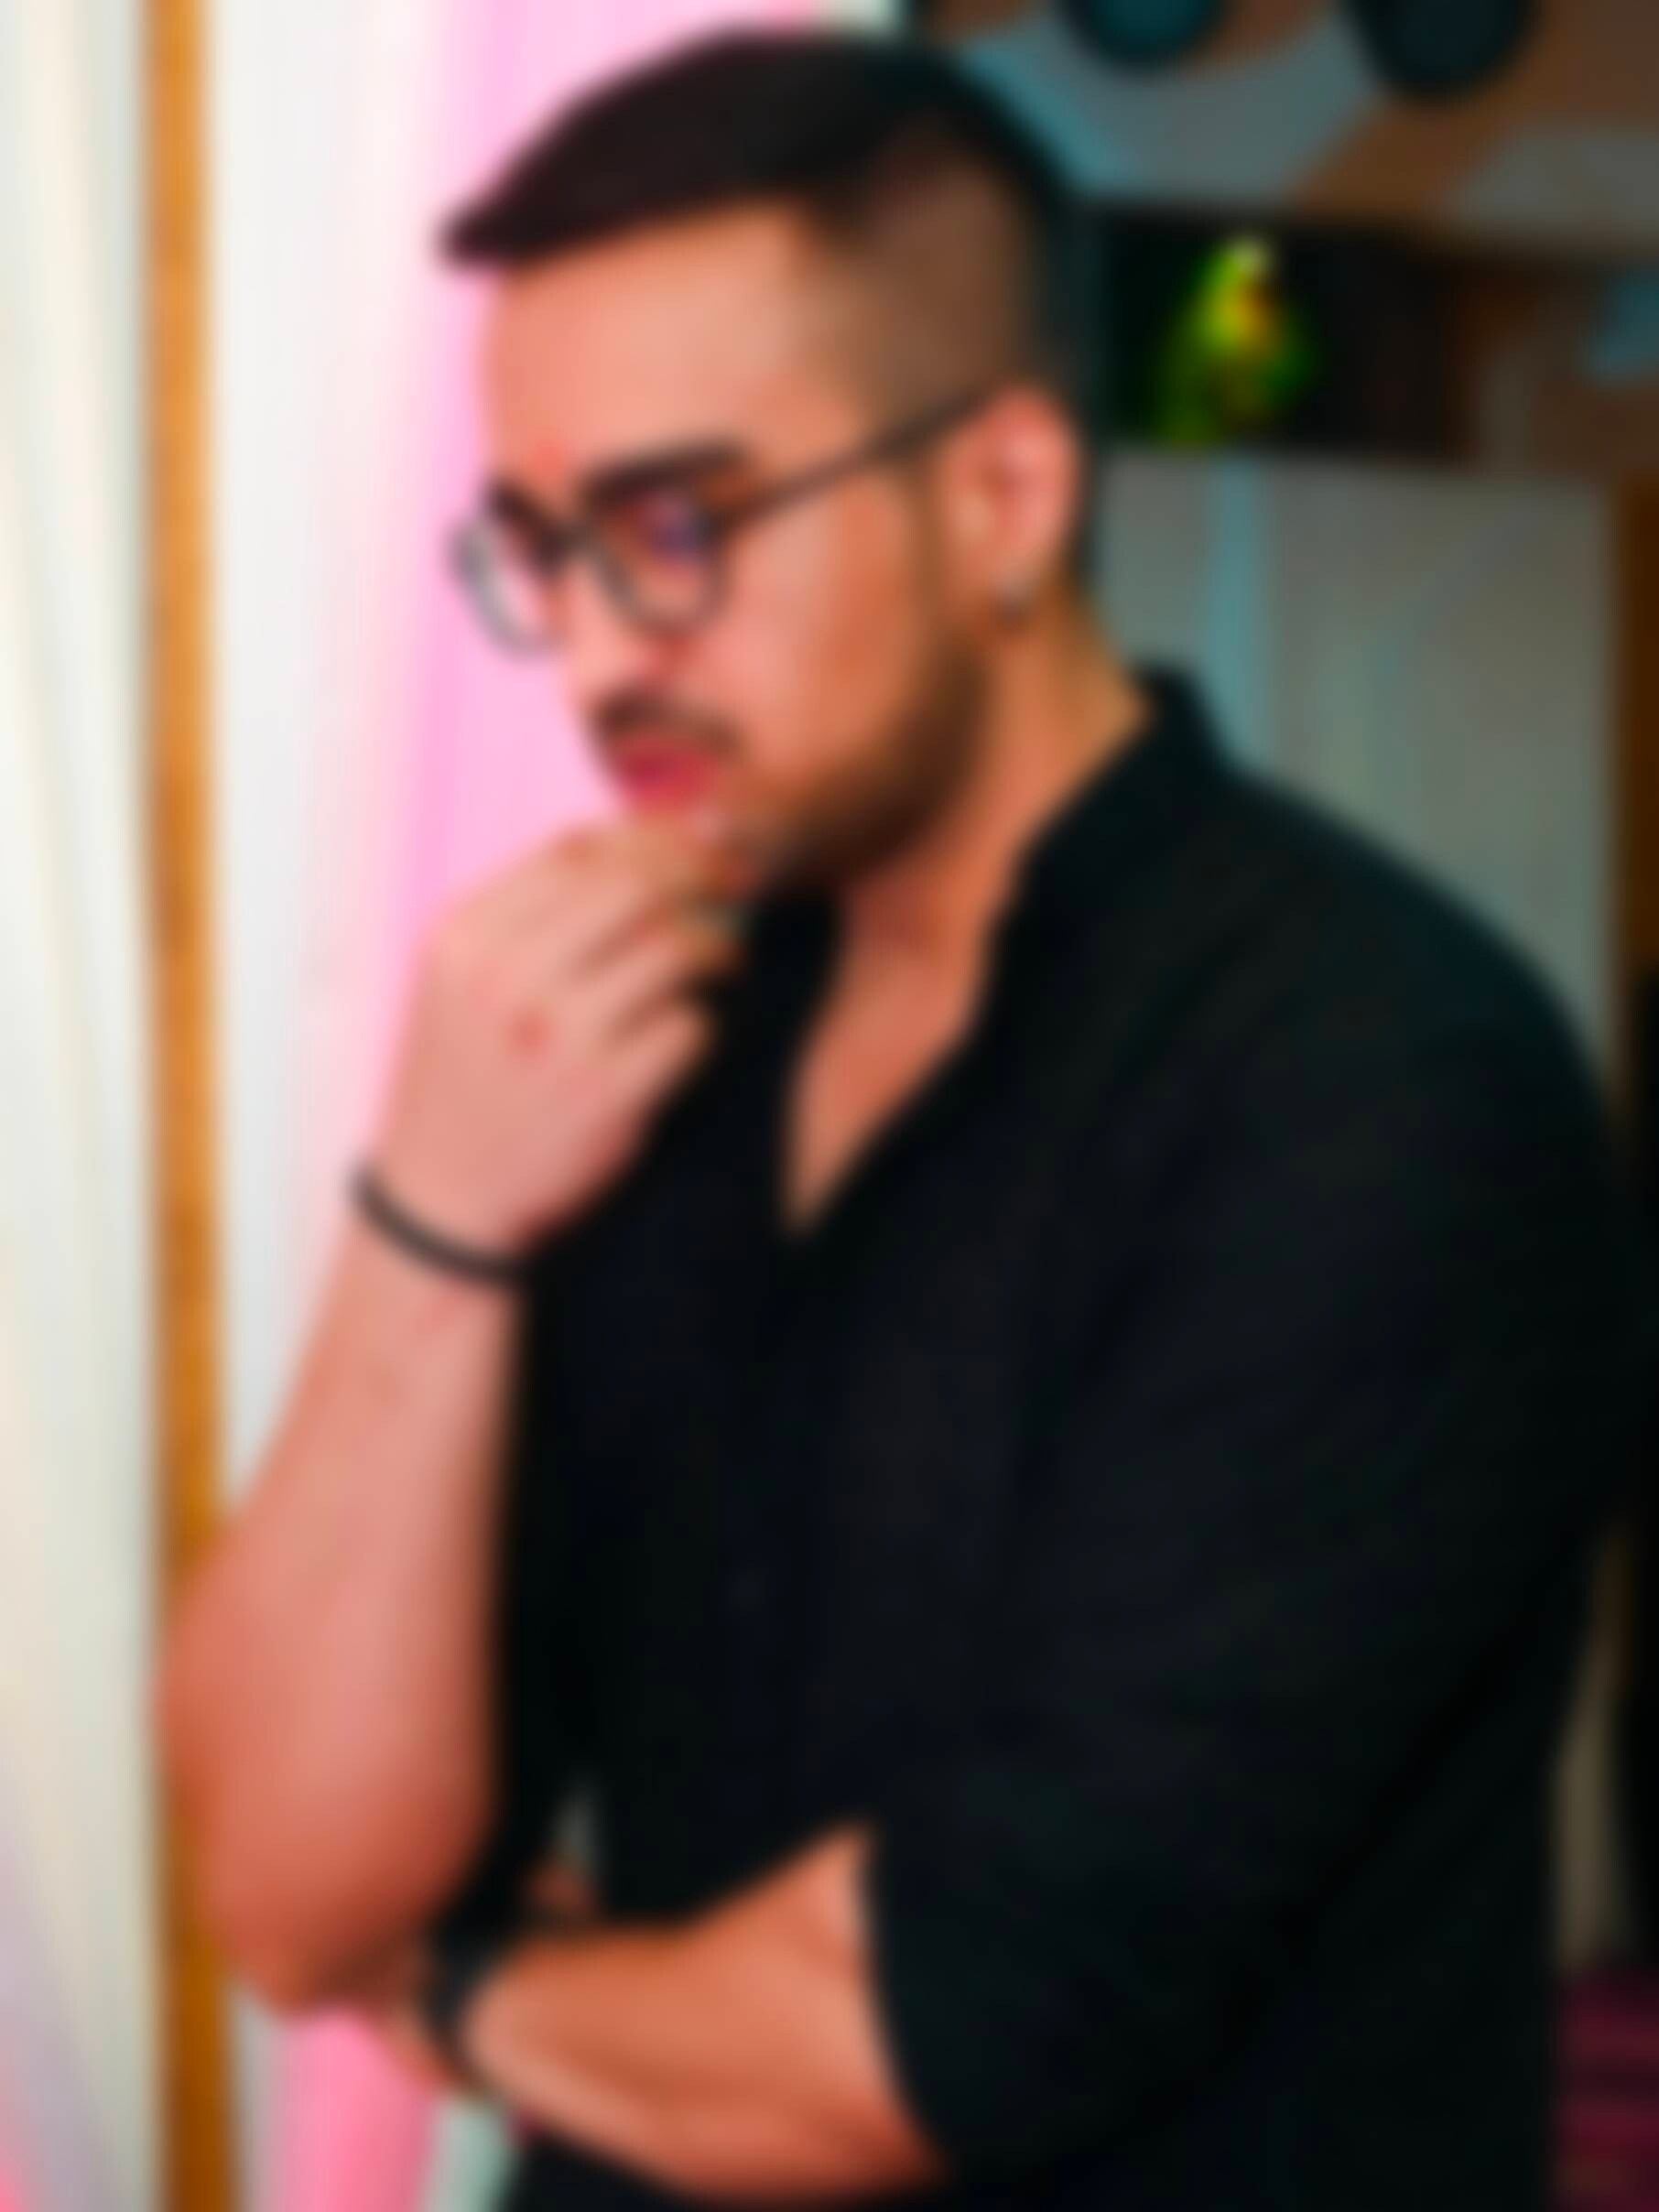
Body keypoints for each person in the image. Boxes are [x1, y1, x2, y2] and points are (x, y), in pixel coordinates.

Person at [157, 29, 1657, 2211]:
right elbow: (291, 1886)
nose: (595, 655)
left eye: (676, 528)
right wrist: (435, 1212)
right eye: (545, 549)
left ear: (1004, 497)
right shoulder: (640, 1033)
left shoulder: (1378, 1080)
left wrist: (466, 1994)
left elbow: (928, 2027)